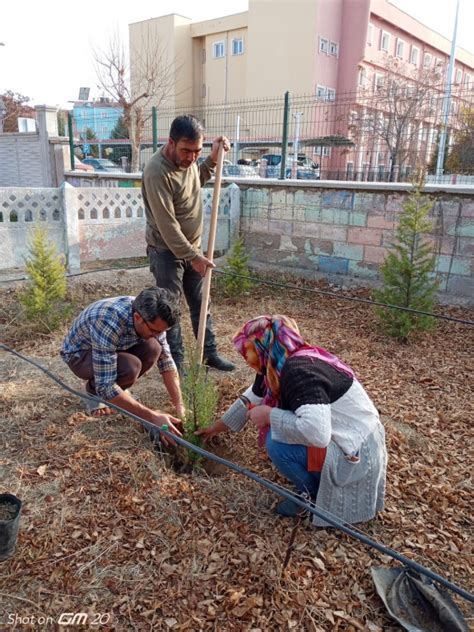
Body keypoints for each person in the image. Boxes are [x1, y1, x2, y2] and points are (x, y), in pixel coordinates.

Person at [198, 315, 387, 525]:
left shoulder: (300, 373)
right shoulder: (279, 360)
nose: (246, 358)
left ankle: (312, 497)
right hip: (353, 438)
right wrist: (217, 427)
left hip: (357, 452)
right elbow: (253, 395)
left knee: (276, 443)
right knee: (279, 433)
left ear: (263, 345)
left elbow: (317, 433)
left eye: (248, 351)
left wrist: (269, 415)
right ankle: (312, 478)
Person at [142, 114, 236, 373]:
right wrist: (193, 256)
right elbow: (167, 226)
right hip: (165, 252)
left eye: (197, 151)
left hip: (192, 251)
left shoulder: (190, 162)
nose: (192, 157)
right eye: (186, 150)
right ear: (170, 142)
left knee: (201, 302)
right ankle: (177, 364)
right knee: (170, 310)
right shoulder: (156, 172)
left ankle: (209, 354)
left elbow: (199, 176)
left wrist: (214, 157)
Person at [60, 287, 184, 444]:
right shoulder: (107, 320)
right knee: (130, 367)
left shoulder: (154, 317)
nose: (159, 334)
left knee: (154, 348)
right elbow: (106, 386)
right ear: (138, 317)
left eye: (162, 331)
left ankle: (119, 393)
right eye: (154, 330)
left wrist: (180, 406)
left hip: (113, 346)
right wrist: (152, 417)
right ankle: (93, 392)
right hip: (81, 354)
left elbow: (166, 362)